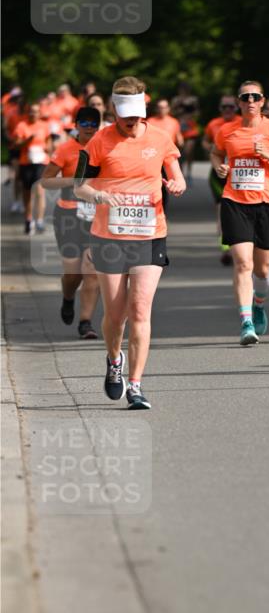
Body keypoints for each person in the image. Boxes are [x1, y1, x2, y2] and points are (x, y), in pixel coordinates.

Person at [74, 75, 186, 409]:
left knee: (139, 309)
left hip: (150, 234)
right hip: (109, 237)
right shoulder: (98, 142)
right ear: (114, 111)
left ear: (143, 109)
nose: (130, 123)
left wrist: (177, 185)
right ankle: (113, 360)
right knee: (115, 314)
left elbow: (176, 174)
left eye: (135, 117)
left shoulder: (161, 138)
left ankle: (135, 385)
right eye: (124, 118)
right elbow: (80, 186)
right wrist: (100, 195)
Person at [211, 80, 269, 345]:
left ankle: (259, 303)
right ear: (239, 102)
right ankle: (246, 321)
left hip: (268, 203)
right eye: (245, 97)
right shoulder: (227, 131)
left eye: (255, 97)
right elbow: (216, 154)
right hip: (235, 201)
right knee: (243, 264)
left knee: (262, 268)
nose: (250, 101)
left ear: (262, 101)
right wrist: (220, 167)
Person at [41, 106, 101, 338]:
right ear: (76, 126)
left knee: (92, 271)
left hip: (96, 216)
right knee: (73, 274)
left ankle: (85, 322)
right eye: (83, 123)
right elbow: (46, 181)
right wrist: (71, 182)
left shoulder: (105, 148)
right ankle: (68, 298)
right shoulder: (65, 149)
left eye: (93, 124)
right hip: (68, 216)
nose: (88, 128)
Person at [202, 95, 240, 264]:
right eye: (224, 107)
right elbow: (205, 141)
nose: (227, 110)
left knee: (241, 212)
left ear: (236, 107)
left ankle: (241, 246)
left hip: (240, 175)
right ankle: (226, 248)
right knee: (221, 211)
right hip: (219, 175)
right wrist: (213, 148)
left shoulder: (243, 122)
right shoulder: (213, 124)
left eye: (231, 107)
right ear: (220, 109)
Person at [13, 102, 53, 234]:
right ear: (27, 112)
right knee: (27, 192)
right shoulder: (22, 126)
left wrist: (48, 149)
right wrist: (27, 141)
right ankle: (28, 219)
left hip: (41, 161)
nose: (33, 114)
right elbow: (16, 145)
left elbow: (49, 142)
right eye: (30, 111)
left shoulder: (44, 126)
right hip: (26, 162)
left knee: (40, 189)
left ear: (39, 113)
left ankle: (40, 221)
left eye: (35, 111)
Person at [171, 82, 199, 185]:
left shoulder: (193, 99)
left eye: (185, 89)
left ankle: (189, 173)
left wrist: (190, 115)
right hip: (179, 126)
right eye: (182, 89)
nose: (183, 91)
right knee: (179, 153)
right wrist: (179, 109)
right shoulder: (176, 99)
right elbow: (171, 112)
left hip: (190, 126)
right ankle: (181, 174)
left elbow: (197, 112)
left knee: (189, 152)